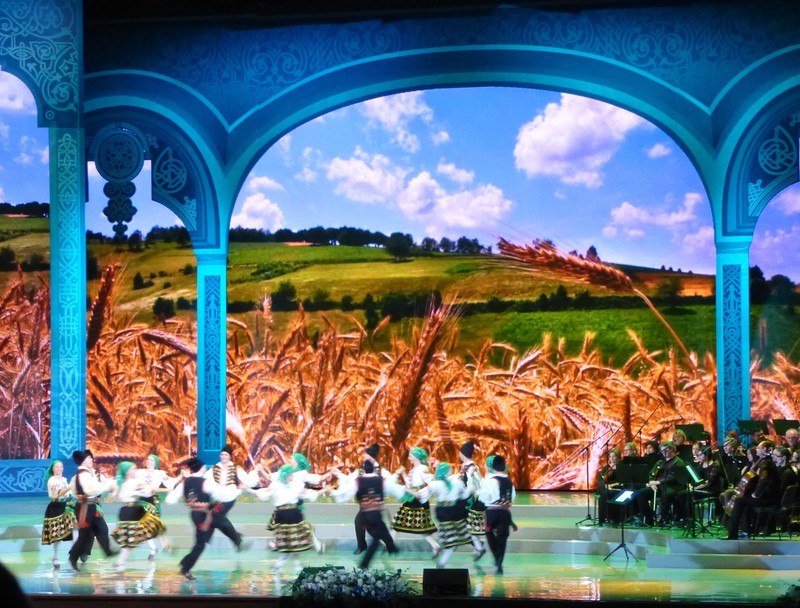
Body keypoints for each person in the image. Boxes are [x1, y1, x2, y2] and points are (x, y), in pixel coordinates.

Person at [165, 456, 241, 580]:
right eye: (204, 467)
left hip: (195, 515)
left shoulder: (185, 483)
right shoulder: (205, 482)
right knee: (218, 523)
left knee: (207, 535)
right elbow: (220, 494)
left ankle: (185, 565)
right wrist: (236, 491)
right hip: (204, 514)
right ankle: (237, 539)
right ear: (202, 468)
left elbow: (170, 499)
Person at [244, 464, 326, 572]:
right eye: (291, 474)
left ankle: (284, 565)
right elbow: (309, 494)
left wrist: (248, 490)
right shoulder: (285, 485)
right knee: (292, 541)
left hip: (287, 515)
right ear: (287, 475)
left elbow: (263, 495)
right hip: (290, 515)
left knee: (291, 541)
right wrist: (324, 490)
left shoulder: (287, 485)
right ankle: (286, 564)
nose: (293, 476)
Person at [331, 459, 407, 568]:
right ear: (373, 469)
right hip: (375, 513)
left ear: (364, 470)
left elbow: (347, 492)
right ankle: (367, 559)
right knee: (376, 535)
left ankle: (389, 548)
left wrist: (337, 495)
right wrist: (404, 494)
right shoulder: (381, 481)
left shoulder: (358, 481)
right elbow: (395, 489)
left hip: (364, 512)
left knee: (379, 528)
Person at [110, 461, 167, 572]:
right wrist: (168, 489)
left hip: (127, 511)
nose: (135, 470)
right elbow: (150, 490)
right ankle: (162, 544)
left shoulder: (121, 483)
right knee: (151, 525)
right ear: (128, 472)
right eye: (133, 469)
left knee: (131, 540)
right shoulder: (133, 483)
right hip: (131, 512)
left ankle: (120, 562)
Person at [67, 450, 118, 572]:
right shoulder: (82, 475)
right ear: (84, 461)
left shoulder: (90, 473)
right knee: (85, 535)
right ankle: (73, 556)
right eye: (89, 458)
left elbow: (100, 484)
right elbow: (89, 490)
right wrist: (107, 488)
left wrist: (112, 485)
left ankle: (107, 551)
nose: (91, 460)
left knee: (102, 528)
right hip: (84, 508)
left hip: (92, 506)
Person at [420, 462, 475, 569]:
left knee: (451, 540)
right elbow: (464, 495)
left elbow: (422, 495)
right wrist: (471, 489)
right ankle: (442, 562)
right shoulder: (455, 483)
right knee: (453, 541)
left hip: (443, 514)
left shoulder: (436, 484)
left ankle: (442, 559)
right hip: (453, 513)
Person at [205, 444, 257, 551]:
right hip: (217, 498)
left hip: (229, 497)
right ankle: (237, 539)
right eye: (222, 455)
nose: (224, 457)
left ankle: (236, 540)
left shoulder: (236, 468)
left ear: (229, 456)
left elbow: (248, 480)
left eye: (226, 455)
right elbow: (204, 480)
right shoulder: (214, 468)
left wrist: (245, 484)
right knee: (218, 520)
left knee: (216, 516)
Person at [725, 440, 781, 540]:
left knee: (739, 500)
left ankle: (732, 534)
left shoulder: (765, 462)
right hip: (772, 497)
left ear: (764, 449)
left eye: (758, 448)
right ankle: (746, 529)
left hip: (768, 499)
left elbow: (763, 480)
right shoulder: (767, 461)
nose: (757, 449)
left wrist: (756, 494)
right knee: (743, 500)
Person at [390, 447, 440, 557]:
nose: (409, 458)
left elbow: (431, 481)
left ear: (416, 457)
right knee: (419, 527)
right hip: (413, 499)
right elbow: (410, 484)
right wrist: (403, 474)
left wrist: (421, 493)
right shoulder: (414, 469)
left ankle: (389, 544)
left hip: (417, 501)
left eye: (411, 456)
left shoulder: (422, 468)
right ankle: (435, 545)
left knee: (398, 522)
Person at [477, 455, 515, 575]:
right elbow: (513, 497)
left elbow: (485, 497)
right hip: (505, 513)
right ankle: (499, 563)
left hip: (492, 512)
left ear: (492, 467)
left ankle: (496, 557)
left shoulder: (491, 481)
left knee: (489, 533)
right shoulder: (509, 481)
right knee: (502, 538)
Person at [135, 454, 179, 556]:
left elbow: (171, 483)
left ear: (155, 463)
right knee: (144, 525)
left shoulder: (160, 474)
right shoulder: (139, 472)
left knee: (155, 524)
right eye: (148, 459)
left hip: (153, 501)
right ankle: (155, 547)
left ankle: (163, 545)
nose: (149, 461)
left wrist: (181, 476)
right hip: (141, 500)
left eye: (152, 460)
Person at [639, 441, 688, 527]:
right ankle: (648, 518)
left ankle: (665, 518)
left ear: (672, 449)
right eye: (662, 451)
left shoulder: (678, 462)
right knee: (641, 493)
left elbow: (673, 477)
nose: (663, 452)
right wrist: (651, 482)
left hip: (673, 487)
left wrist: (658, 482)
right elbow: (651, 474)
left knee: (665, 495)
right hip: (658, 486)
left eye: (665, 450)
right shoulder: (660, 462)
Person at [41, 460, 76, 570]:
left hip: (67, 506)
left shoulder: (64, 480)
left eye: (61, 466)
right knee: (57, 534)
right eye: (57, 467)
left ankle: (76, 552)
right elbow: (59, 493)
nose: (59, 469)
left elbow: (69, 493)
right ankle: (55, 556)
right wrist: (71, 486)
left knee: (74, 529)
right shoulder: (52, 481)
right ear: (53, 469)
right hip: (56, 507)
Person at [458, 440, 487, 561]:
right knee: (468, 526)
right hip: (468, 501)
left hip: (470, 502)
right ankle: (478, 546)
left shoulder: (471, 468)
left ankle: (478, 547)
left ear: (463, 454)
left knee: (464, 525)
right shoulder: (468, 467)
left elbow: (477, 484)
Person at [596, 448, 621, 526]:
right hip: (606, 488)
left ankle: (609, 519)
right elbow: (600, 478)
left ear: (618, 457)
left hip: (617, 488)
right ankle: (602, 520)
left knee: (604, 494)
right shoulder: (606, 467)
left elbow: (621, 481)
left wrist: (611, 485)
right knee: (602, 490)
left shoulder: (621, 467)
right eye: (610, 456)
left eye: (614, 456)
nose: (611, 458)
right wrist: (605, 485)